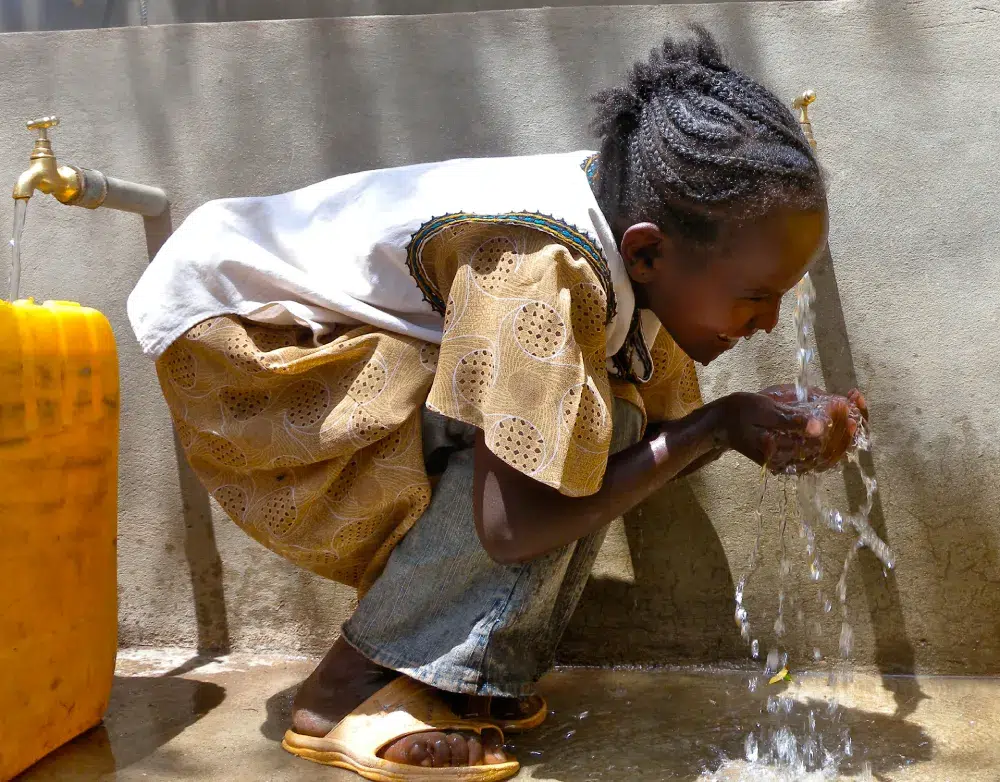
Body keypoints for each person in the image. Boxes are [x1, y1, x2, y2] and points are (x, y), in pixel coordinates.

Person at [128, 27, 864, 781]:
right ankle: (345, 688)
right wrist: (719, 422)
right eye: (756, 298)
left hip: (300, 324)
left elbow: (658, 448)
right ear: (646, 253)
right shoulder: (537, 265)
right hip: (247, 346)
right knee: (580, 431)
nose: (768, 323)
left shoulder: (644, 234)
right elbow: (513, 527)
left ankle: (464, 675)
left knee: (602, 425)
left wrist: (756, 425)